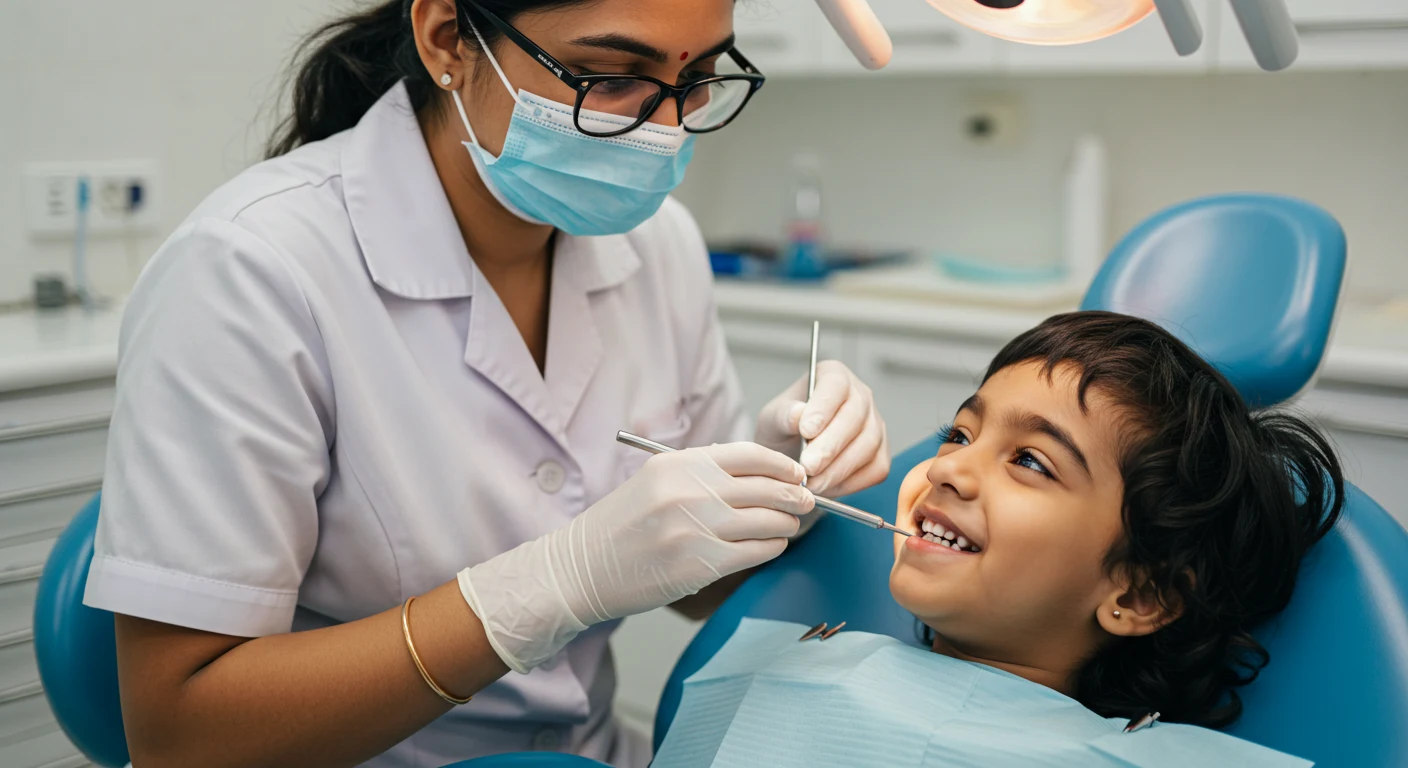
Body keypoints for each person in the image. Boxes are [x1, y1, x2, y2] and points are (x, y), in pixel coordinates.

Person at [81, 1, 890, 766]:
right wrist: (545, 587)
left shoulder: (660, 245)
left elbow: (697, 593)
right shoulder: (249, 269)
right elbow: (180, 738)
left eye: (698, 79)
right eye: (610, 78)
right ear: (446, 39)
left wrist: (777, 487)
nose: (666, 130)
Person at [655, 311, 1344, 766]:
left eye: (1031, 462)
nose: (948, 466)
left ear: (1138, 595)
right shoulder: (798, 665)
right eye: (960, 433)